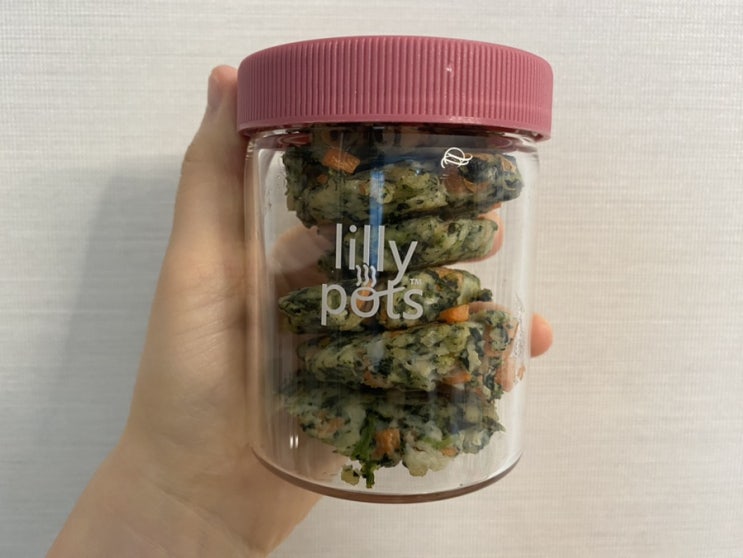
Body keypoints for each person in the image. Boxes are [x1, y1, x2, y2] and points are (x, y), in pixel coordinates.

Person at [47, 66, 553, 558]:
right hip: (230, 460)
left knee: (481, 335)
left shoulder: (471, 169)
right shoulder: (299, 167)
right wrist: (177, 492)